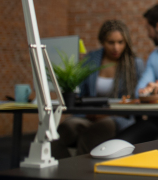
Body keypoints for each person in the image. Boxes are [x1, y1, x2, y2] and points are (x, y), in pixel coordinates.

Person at [52, 20, 144, 158]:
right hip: (88, 115)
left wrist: (107, 114)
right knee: (62, 131)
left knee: (94, 133)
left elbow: (137, 99)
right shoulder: (90, 60)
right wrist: (89, 111)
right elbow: (80, 93)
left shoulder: (134, 64)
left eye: (120, 42)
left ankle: (80, 172)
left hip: (117, 118)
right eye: (111, 42)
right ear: (102, 41)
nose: (116, 48)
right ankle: (61, 169)